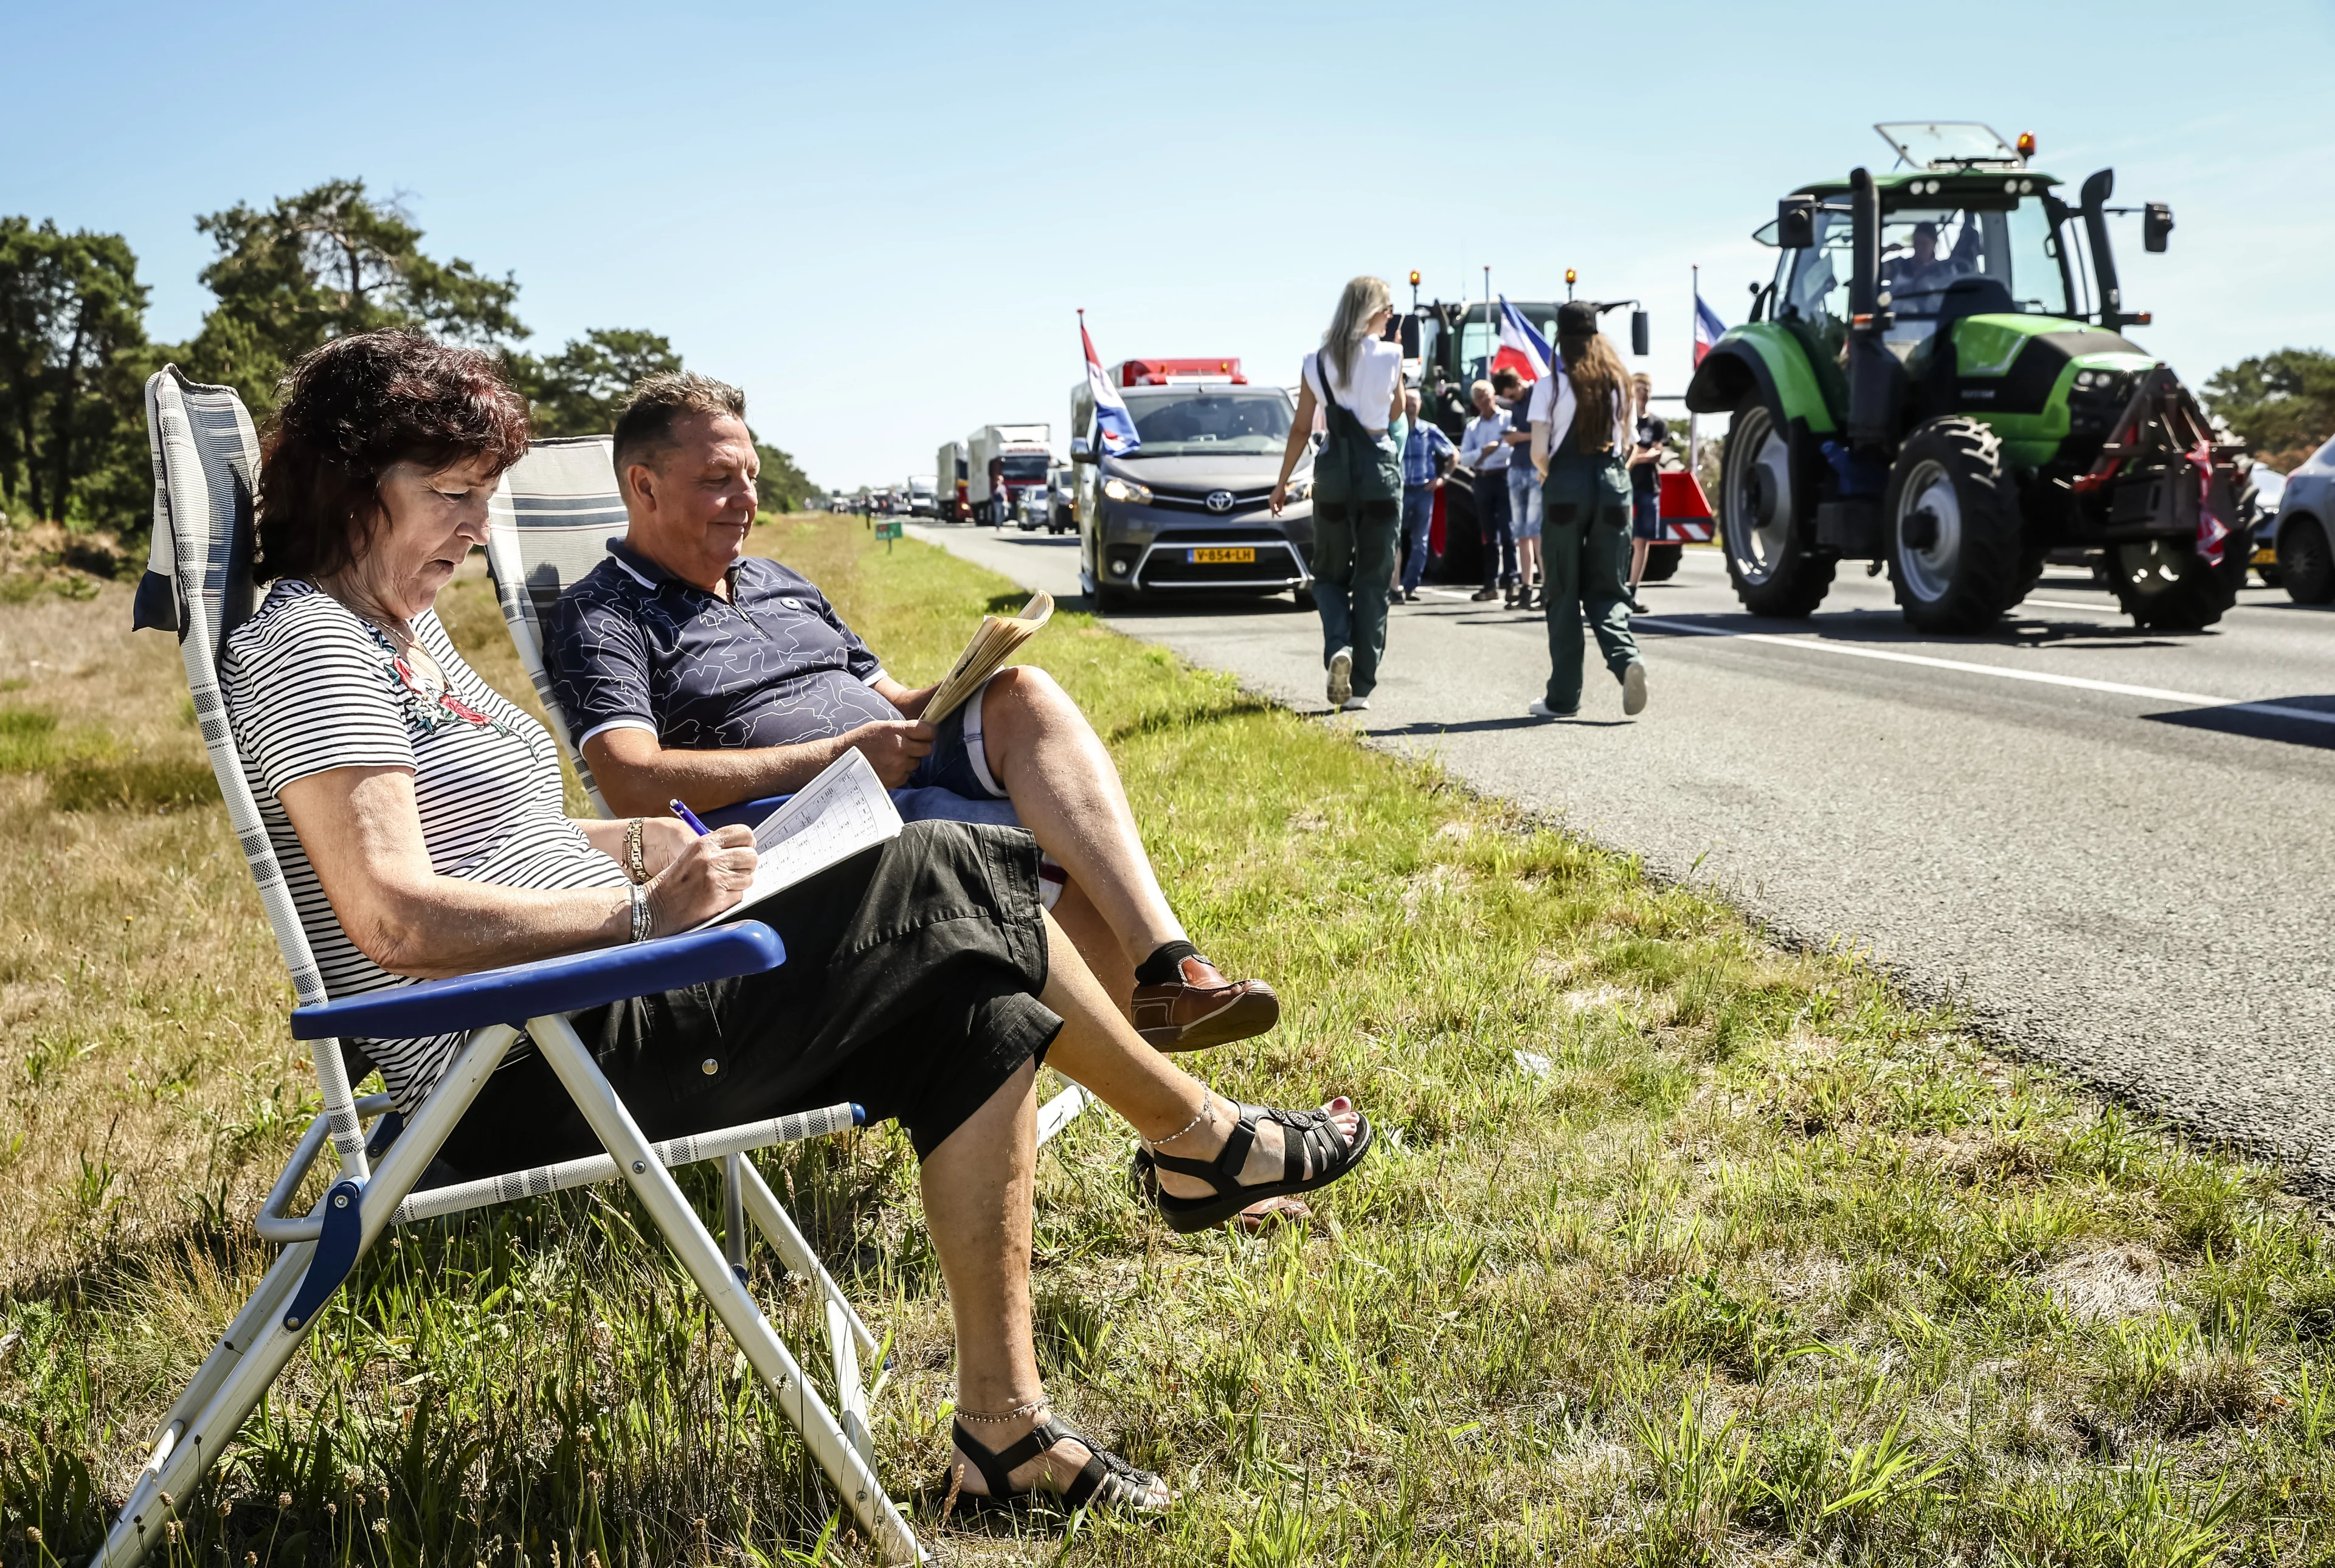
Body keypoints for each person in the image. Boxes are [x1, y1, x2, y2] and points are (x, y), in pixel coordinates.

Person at [220, 331, 1373, 1514]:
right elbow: (396, 916)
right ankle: (1205, 1140)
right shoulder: (312, 644)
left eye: (484, 495)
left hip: (585, 997)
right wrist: (636, 908)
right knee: (950, 868)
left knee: (979, 1009)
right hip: (522, 1063)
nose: (474, 526)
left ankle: (1005, 1433)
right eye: (450, 495)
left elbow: (498, 839)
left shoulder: (399, 633)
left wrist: (645, 845)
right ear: (351, 485)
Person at [546, 375, 1276, 1054]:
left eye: (751, 478)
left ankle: (1172, 967)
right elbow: (630, 781)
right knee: (1049, 864)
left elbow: (888, 696)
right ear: (643, 485)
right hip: (806, 824)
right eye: (717, 480)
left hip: (892, 766)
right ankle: (1186, 1126)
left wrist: (972, 674)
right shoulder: (604, 611)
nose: (746, 500)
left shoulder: (776, 578)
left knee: (1027, 693)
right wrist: (838, 758)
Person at [1270, 275, 1406, 713]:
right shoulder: (1391, 355)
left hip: (1331, 476)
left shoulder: (1316, 361)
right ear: (1373, 311)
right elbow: (1398, 410)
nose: (1390, 319)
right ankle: (1361, 686)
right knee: (1373, 578)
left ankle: (1338, 649)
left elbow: (1301, 427)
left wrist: (1282, 481)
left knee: (1328, 574)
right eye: (1388, 311)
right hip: (1379, 475)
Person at [1526, 303, 1648, 721]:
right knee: (1608, 588)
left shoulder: (1550, 386)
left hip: (1565, 486)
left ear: (1561, 340)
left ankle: (1563, 697)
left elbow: (1539, 452)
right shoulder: (1620, 384)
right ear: (1597, 338)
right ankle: (1626, 658)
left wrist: (1550, 477)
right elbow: (1629, 446)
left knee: (1563, 591)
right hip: (1614, 487)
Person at [1394, 388, 1455, 603]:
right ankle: (1393, 587)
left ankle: (1410, 586)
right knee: (1394, 539)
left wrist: (1443, 479)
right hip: (1400, 491)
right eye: (1408, 401)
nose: (1411, 405)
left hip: (1423, 491)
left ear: (1421, 405)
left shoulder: (1430, 431)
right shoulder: (1395, 431)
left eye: (1415, 402)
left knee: (1420, 541)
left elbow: (1453, 454)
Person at [1456, 379, 1513, 605]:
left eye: (1486, 395)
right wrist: (1486, 450)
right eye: (1478, 398)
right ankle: (1490, 584)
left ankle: (1511, 583)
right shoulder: (1473, 427)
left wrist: (1485, 454)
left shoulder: (1508, 419)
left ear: (1494, 395)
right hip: (1482, 481)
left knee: (1509, 532)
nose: (1483, 401)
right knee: (1489, 535)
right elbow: (1464, 458)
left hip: (1503, 478)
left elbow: (1510, 450)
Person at [1494, 369, 1542, 609]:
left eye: (1510, 395)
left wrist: (1520, 437)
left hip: (1535, 468)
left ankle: (1547, 589)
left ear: (1516, 383)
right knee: (1521, 534)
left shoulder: (1538, 395)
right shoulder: (1517, 405)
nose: (1511, 400)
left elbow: (1545, 432)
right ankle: (1527, 587)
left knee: (1536, 532)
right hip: (1517, 468)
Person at [1625, 373, 1669, 612]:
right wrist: (1641, 453)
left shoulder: (1657, 424)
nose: (1644, 393)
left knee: (1643, 540)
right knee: (1620, 539)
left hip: (1648, 488)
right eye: (1640, 388)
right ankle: (1615, 589)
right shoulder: (1624, 421)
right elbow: (1625, 448)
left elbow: (1656, 453)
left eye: (1648, 389)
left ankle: (1632, 591)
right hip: (1625, 486)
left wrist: (1635, 456)